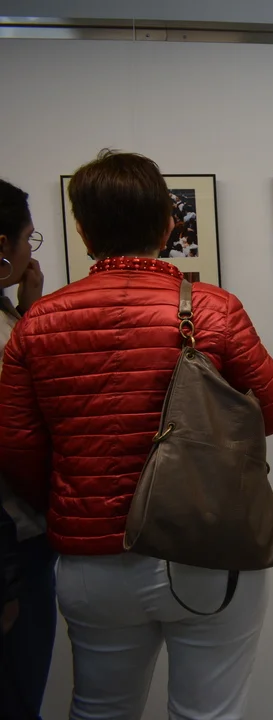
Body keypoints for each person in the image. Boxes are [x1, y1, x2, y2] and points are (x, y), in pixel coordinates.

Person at [0, 150, 273, 720]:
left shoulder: (36, 323)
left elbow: (16, 450)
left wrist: (70, 500)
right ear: (167, 225)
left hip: (93, 559)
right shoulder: (212, 309)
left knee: (100, 711)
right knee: (208, 714)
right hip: (206, 545)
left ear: (83, 232)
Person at [0, 179, 53, 720]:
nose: (29, 251)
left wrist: (27, 309)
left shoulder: (11, 317)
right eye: (28, 238)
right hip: (13, 547)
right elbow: (15, 443)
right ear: (2, 245)